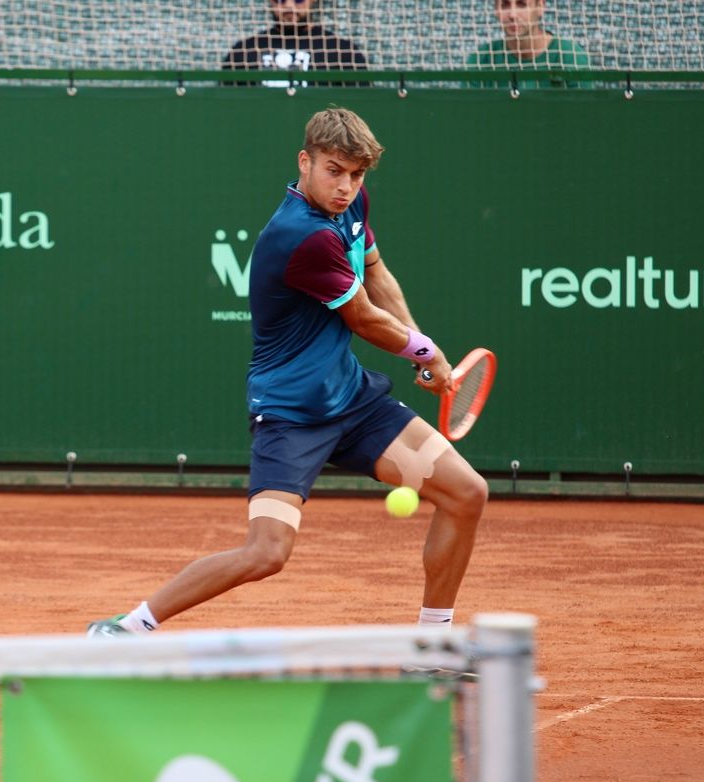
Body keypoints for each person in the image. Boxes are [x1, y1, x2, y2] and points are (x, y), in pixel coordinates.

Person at [88, 108, 488, 641]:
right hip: (291, 415)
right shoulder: (302, 236)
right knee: (266, 554)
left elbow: (377, 274)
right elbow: (364, 316)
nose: (346, 186)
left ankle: (434, 644)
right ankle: (127, 627)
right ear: (305, 161)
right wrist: (426, 353)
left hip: (352, 401)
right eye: (334, 170)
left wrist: (422, 346)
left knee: (467, 493)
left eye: (356, 174)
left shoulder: (350, 207)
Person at [222, 0, 368, 88]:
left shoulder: (341, 52)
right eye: (281, 0)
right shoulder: (244, 51)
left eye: (298, 0)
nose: (289, 6)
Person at [466, 0, 591, 88]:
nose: (512, 15)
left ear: (540, 6)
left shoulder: (571, 56)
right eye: (505, 4)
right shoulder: (480, 60)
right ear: (496, 10)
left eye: (522, 4)